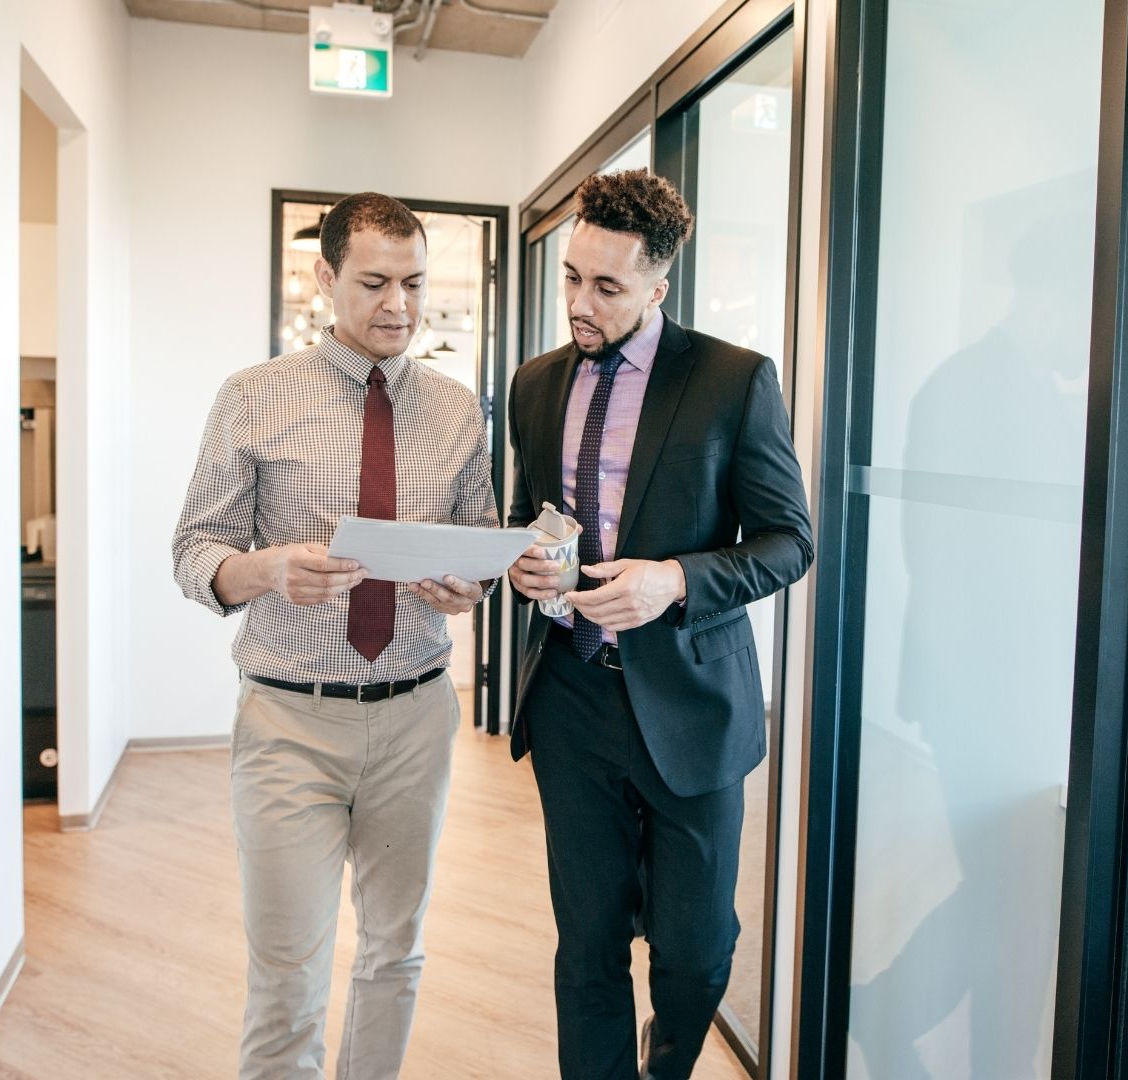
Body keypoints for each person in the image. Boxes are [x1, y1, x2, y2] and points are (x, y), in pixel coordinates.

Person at [172, 191, 494, 1080]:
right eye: (376, 282)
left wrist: (464, 585)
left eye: (415, 283)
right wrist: (269, 568)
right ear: (325, 277)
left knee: (396, 952)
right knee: (287, 966)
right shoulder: (252, 397)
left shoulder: (460, 410)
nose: (399, 305)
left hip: (416, 717)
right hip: (289, 721)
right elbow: (195, 550)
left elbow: (479, 542)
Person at [504, 169, 813, 1079]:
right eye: (571, 278)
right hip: (569, 698)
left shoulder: (732, 379)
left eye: (607, 287)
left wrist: (674, 580)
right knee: (587, 947)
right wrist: (526, 561)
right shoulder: (533, 384)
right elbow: (532, 513)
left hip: (691, 705)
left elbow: (790, 542)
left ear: (657, 287)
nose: (580, 303)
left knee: (695, 952)